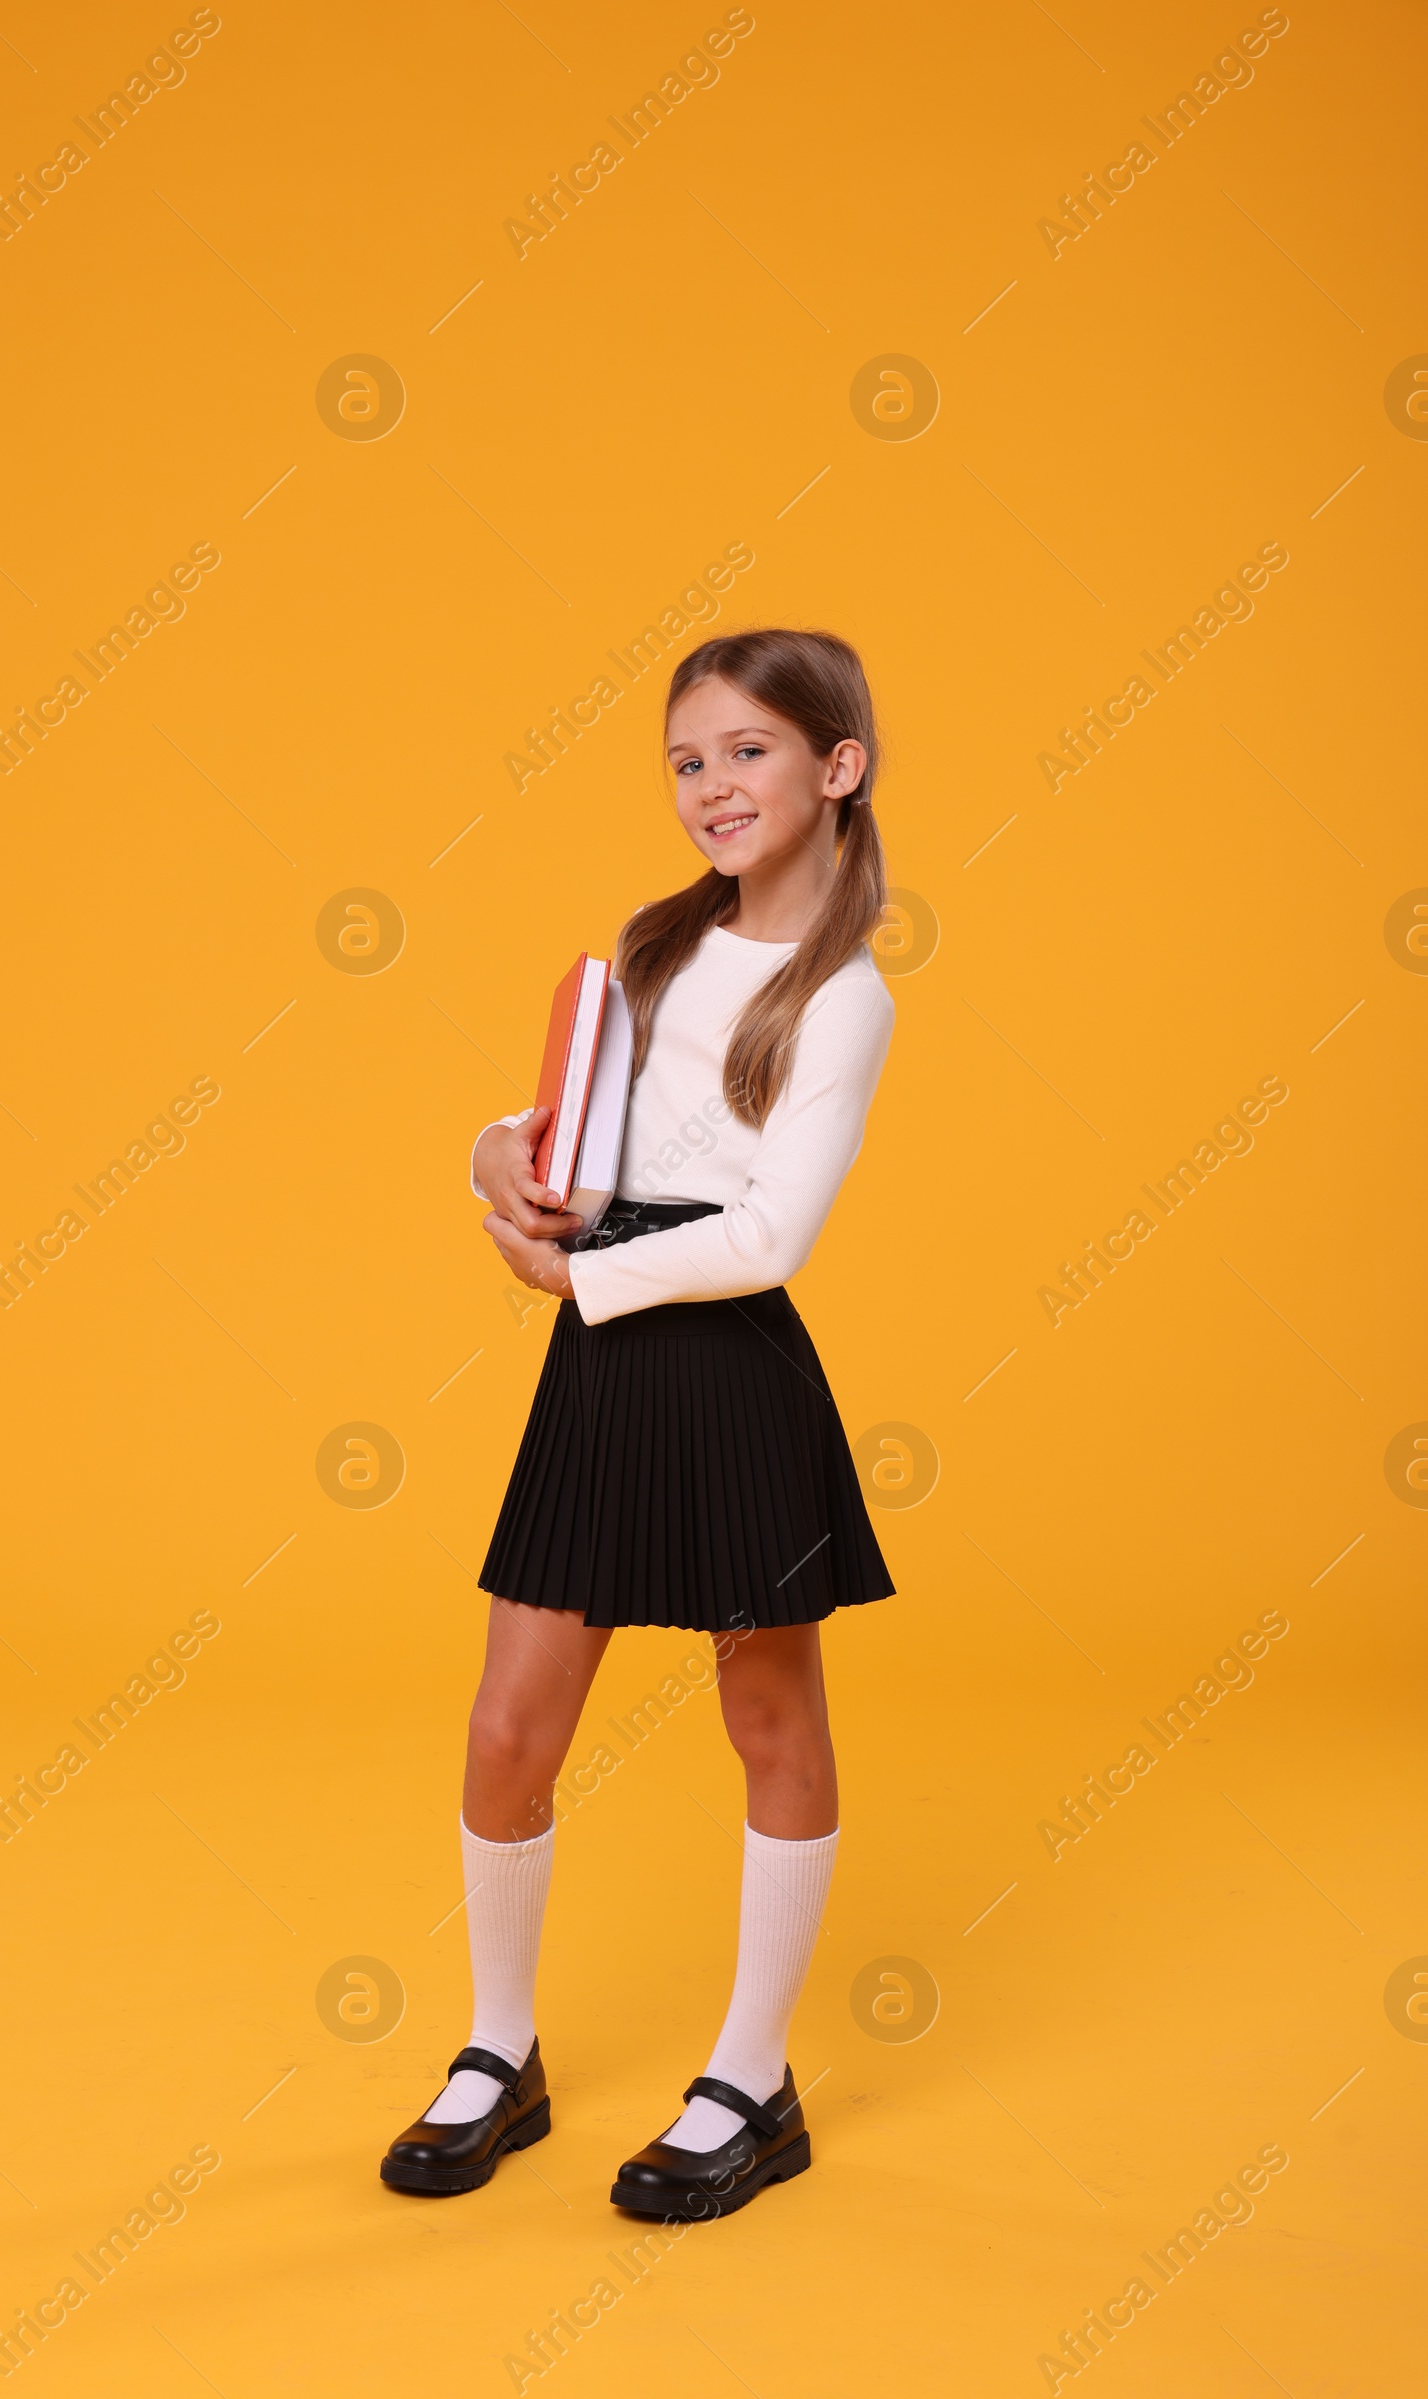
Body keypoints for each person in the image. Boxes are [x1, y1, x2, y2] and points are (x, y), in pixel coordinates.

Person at [381, 628, 897, 2218]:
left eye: (747, 751)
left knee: (769, 1721)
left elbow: (767, 1237)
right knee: (508, 1726)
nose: (711, 788)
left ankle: (754, 2074)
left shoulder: (849, 998)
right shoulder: (653, 945)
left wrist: (572, 1276)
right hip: (602, 1366)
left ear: (837, 765)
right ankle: (499, 2049)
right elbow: (575, 1137)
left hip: (730, 1370)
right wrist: (497, 1163)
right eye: (687, 761)